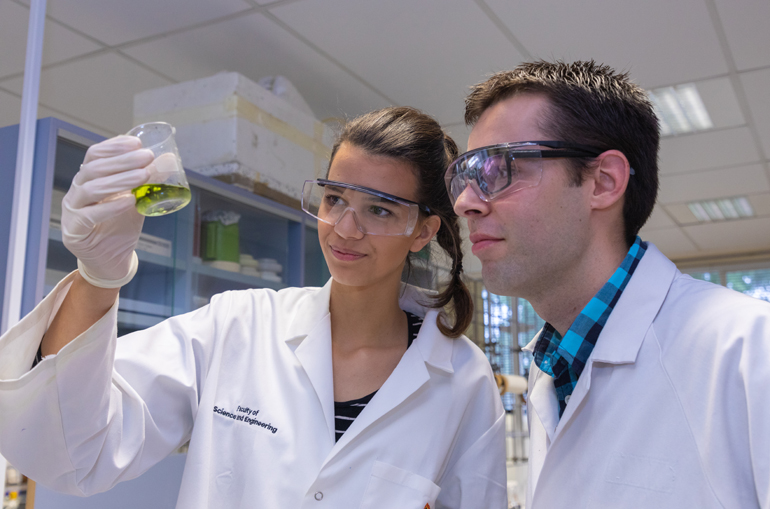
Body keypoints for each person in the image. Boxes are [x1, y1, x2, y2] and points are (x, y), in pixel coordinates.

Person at [0, 106, 506, 508]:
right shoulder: (237, 325)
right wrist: (97, 277)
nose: (345, 230)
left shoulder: (464, 380)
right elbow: (73, 453)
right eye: (334, 200)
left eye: (378, 209)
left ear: (423, 230)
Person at [446, 60, 770, 508]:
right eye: (464, 176)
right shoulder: (555, 367)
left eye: (500, 168)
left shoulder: (751, 351)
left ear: (603, 181)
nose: (465, 202)